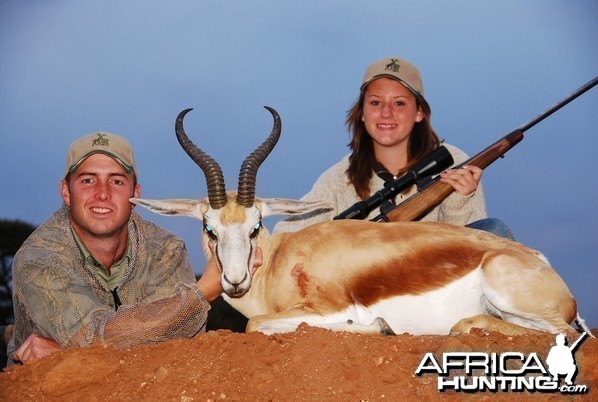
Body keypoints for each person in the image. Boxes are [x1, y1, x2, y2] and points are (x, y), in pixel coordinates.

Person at [7, 132, 260, 366]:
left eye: (116, 181)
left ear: (135, 193)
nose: (102, 193)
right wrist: (203, 291)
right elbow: (93, 337)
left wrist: (68, 352)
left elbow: (176, 347)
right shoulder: (38, 259)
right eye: (88, 180)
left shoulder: (166, 250)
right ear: (66, 191)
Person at [274, 56, 514, 239]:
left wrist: (458, 201)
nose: (386, 112)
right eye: (376, 102)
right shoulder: (338, 178)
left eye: (399, 103)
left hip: (437, 278)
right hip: (372, 288)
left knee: (495, 231)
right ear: (362, 113)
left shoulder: (453, 161)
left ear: (419, 112)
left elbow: (474, 243)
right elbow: (286, 232)